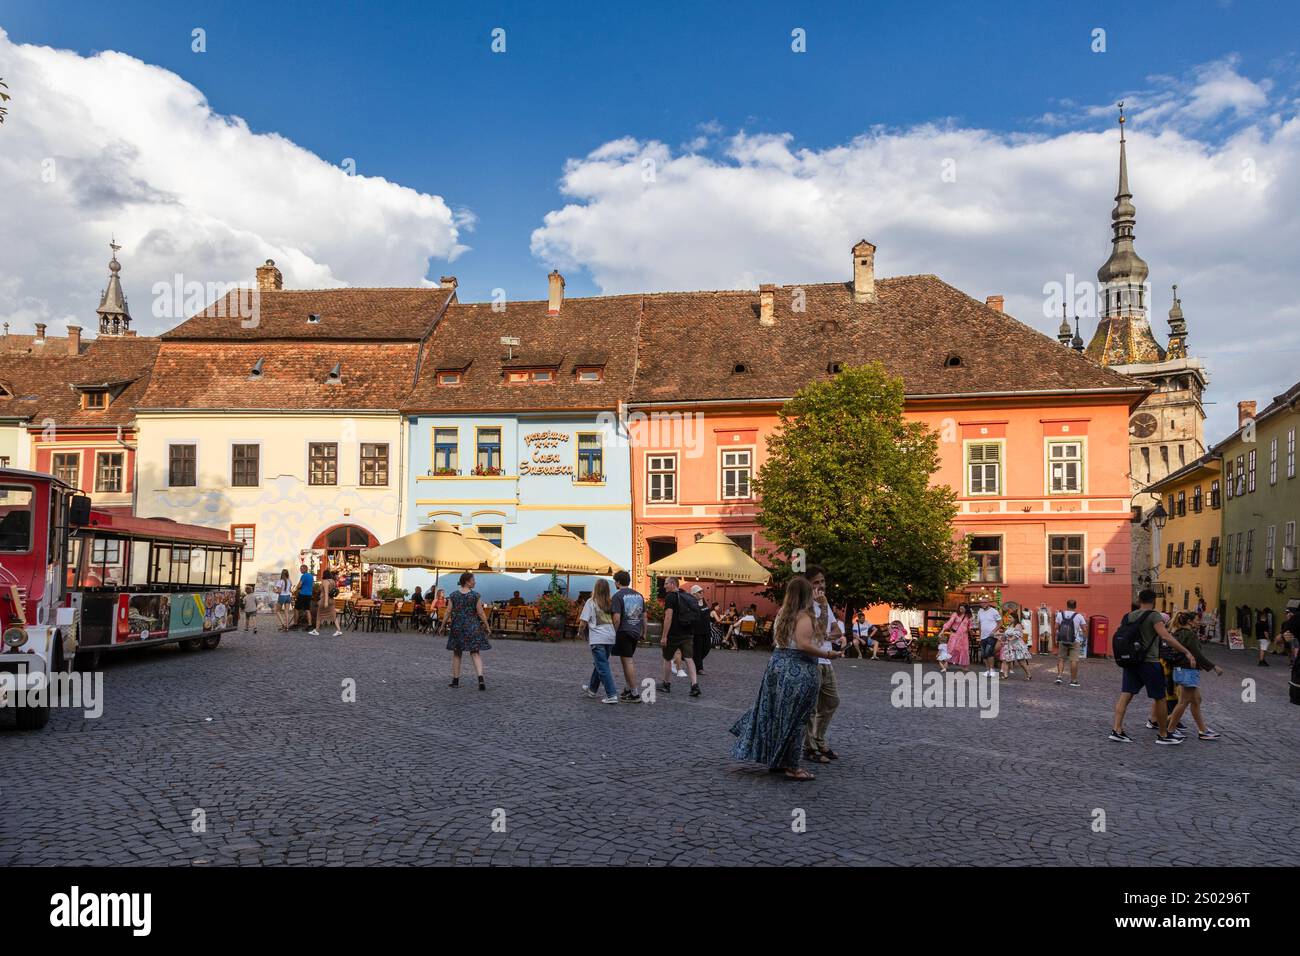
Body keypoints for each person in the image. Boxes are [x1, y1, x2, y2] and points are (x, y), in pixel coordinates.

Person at [730, 576, 844, 781]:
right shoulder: (804, 616)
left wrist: (824, 609)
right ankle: (792, 767)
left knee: (777, 714)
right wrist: (828, 654)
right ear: (806, 594)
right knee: (796, 719)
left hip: (778, 666)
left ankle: (777, 760)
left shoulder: (783, 613)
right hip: (799, 669)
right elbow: (804, 643)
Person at [1110, 589, 1196, 744]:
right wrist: (1186, 651)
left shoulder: (1128, 615)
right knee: (1160, 698)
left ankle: (1116, 730)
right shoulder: (1153, 615)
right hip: (1149, 662)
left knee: (1126, 694)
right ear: (1153, 600)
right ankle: (1163, 734)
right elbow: (1165, 636)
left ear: (1139, 599)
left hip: (1131, 660)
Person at [802, 566, 842, 763]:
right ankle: (809, 747)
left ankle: (818, 738)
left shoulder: (825, 604)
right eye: (816, 582)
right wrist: (824, 608)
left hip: (827, 659)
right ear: (808, 584)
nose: (821, 586)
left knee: (832, 701)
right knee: (810, 706)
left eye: (823, 582)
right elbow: (815, 632)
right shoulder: (806, 606)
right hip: (812, 658)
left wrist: (825, 634)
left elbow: (837, 632)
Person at [1165, 611, 1223, 740]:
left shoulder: (1178, 633)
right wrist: (1214, 667)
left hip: (1181, 670)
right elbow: (1197, 655)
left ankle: (1203, 730)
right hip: (1188, 671)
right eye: (1197, 620)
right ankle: (1169, 729)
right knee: (1184, 702)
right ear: (1190, 622)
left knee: (1196, 700)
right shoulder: (1189, 635)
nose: (1199, 622)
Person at [447, 572, 491, 690]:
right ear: (467, 581)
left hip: (458, 626)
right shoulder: (475, 595)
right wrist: (487, 625)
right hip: (472, 625)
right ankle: (481, 680)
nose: (475, 581)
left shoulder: (453, 595)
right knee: (475, 652)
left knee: (457, 653)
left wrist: (441, 626)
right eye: (473, 580)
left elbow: (448, 611)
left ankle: (455, 681)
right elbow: (481, 612)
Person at [579, 578, 620, 704]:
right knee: (600, 664)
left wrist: (580, 632)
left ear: (595, 589)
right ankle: (592, 689)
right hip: (610, 638)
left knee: (603, 667)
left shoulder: (591, 602)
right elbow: (616, 619)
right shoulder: (610, 602)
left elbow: (583, 621)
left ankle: (612, 694)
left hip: (598, 638)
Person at [658, 577, 700, 697]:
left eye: (666, 584)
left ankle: (666, 684)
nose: (664, 586)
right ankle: (694, 685)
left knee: (667, 658)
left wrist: (664, 636)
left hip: (673, 634)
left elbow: (668, 617)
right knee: (689, 658)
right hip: (687, 633)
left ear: (672, 584)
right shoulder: (686, 595)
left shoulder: (671, 597)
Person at [610, 570, 645, 702]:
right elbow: (644, 615)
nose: (614, 583)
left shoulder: (617, 596)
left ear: (618, 582)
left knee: (627, 661)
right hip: (635, 631)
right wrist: (644, 631)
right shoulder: (639, 595)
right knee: (626, 661)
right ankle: (628, 688)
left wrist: (612, 633)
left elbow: (617, 618)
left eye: (615, 581)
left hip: (623, 631)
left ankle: (634, 693)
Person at [1054, 599, 1086, 686]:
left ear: (1067, 605)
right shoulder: (1079, 616)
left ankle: (1059, 677)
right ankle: (1073, 680)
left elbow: (1056, 627)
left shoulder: (1060, 614)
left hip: (1063, 640)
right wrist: (1084, 640)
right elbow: (1084, 629)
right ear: (1075, 606)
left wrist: (1057, 638)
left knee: (1061, 658)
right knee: (1074, 660)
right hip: (1075, 641)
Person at [997, 603, 1032, 680]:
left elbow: (1018, 635)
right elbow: (1006, 634)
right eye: (1009, 617)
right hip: (1009, 645)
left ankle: (1028, 674)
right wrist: (1001, 637)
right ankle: (1005, 675)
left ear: (1014, 618)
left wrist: (1011, 638)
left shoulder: (1018, 625)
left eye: (1010, 617)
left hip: (1017, 645)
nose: (1009, 619)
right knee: (1006, 660)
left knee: (1021, 661)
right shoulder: (1009, 626)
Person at [939, 604, 972, 671]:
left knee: (964, 650)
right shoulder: (955, 614)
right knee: (951, 649)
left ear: (966, 609)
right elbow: (949, 623)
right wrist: (942, 631)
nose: (961, 610)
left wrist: (970, 629)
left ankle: (964, 666)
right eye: (960, 609)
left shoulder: (968, 616)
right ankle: (946, 665)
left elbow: (969, 626)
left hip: (964, 636)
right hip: (955, 635)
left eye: (962, 609)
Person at [975, 596, 1002, 678]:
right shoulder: (980, 612)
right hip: (983, 636)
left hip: (991, 636)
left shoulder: (994, 611)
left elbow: (1000, 623)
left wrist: (994, 631)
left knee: (989, 652)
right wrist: (980, 634)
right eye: (982, 602)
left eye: (985, 602)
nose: (983, 604)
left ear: (988, 603)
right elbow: (979, 623)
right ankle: (987, 670)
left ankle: (992, 670)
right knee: (984, 654)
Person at [689, 585, 713, 675]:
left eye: (702, 591)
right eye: (699, 592)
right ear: (694, 594)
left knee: (707, 647)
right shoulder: (691, 602)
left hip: (706, 629)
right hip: (697, 630)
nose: (702, 593)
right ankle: (699, 668)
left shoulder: (703, 601)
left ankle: (694, 660)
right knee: (698, 649)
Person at [315, 563, 341, 637]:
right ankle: (338, 630)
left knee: (319, 615)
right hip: (332, 600)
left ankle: (316, 630)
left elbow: (326, 592)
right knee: (333, 615)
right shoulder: (332, 581)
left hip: (325, 600)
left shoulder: (325, 582)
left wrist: (325, 602)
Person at [296, 564, 316, 633]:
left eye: (301, 569)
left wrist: (297, 588)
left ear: (305, 569)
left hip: (303, 594)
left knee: (296, 608)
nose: (300, 570)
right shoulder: (311, 576)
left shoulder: (303, 576)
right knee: (307, 609)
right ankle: (310, 625)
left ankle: (295, 624)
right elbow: (313, 585)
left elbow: (299, 585)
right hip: (309, 594)